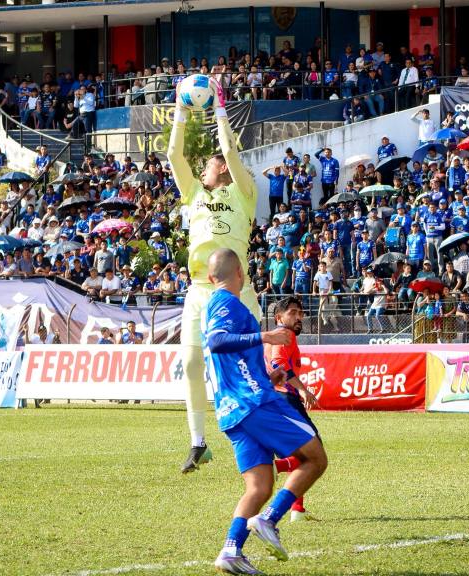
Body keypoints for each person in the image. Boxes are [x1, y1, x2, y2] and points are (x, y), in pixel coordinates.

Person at [203, 249, 327, 574]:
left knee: (258, 487)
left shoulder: (219, 305)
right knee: (315, 458)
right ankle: (270, 519)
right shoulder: (226, 303)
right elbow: (217, 341)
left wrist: (267, 375)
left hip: (232, 411)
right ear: (241, 275)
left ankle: (231, 550)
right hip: (252, 403)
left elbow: (233, 358)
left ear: (209, 277)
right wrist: (265, 335)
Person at [168, 81, 263, 474]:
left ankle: (265, 431)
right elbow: (174, 154)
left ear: (220, 168)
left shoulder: (244, 192)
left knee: (256, 364)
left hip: (237, 289)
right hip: (199, 289)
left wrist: (221, 108)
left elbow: (228, 150)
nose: (203, 169)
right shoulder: (193, 194)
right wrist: (181, 111)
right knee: (191, 363)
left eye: (208, 164)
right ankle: (198, 442)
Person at [264, 296, 321, 522]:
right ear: (279, 317)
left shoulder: (279, 337)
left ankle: (297, 509)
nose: (299, 317)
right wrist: (304, 390)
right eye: (293, 312)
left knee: (305, 455)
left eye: (301, 313)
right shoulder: (283, 336)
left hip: (277, 399)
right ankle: (277, 466)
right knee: (314, 454)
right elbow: (279, 365)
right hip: (286, 399)